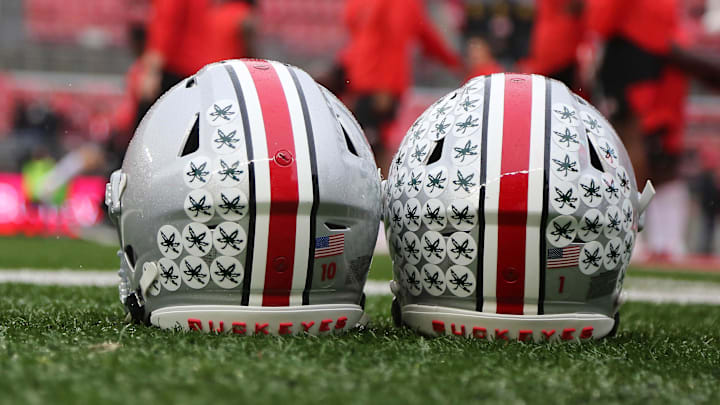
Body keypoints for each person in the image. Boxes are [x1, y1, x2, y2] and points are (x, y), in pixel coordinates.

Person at [338, 0, 462, 175]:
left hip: (366, 80)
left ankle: (373, 190)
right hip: (375, 83)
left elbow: (358, 28)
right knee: (370, 143)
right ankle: (377, 189)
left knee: (366, 143)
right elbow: (419, 34)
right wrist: (453, 61)